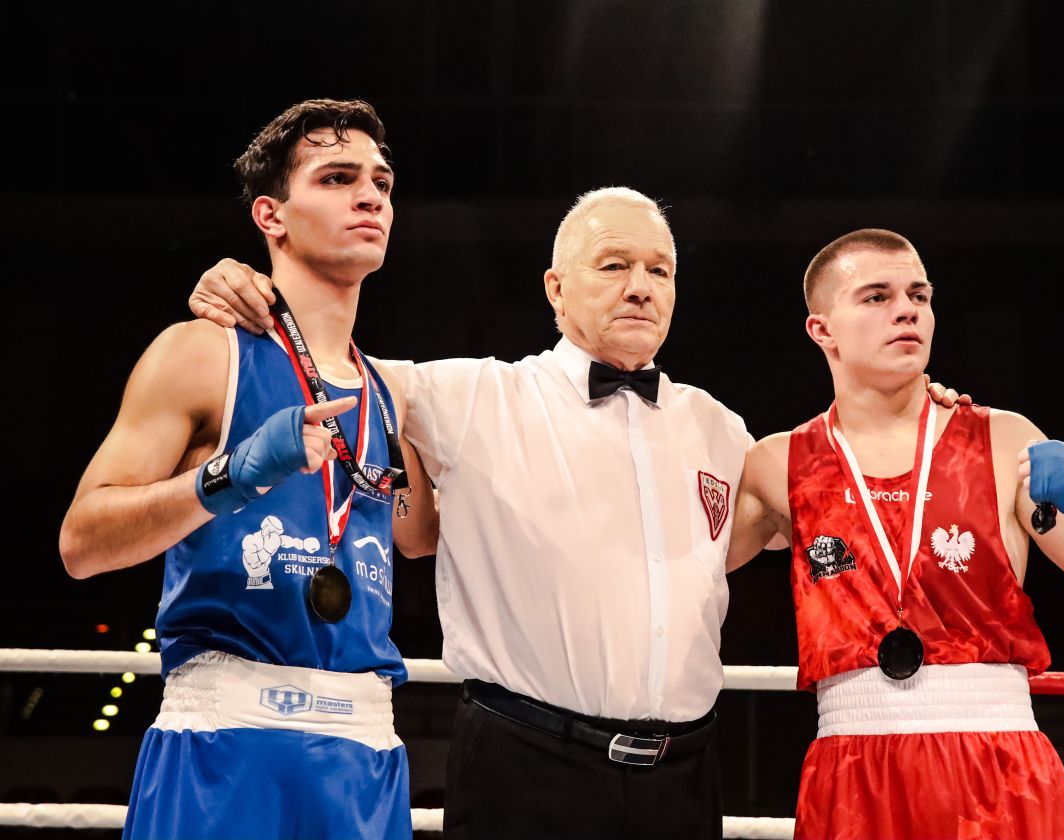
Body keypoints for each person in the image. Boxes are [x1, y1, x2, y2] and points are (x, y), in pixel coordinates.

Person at [188, 192, 964, 839]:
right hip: (524, 768)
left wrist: (912, 411)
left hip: (683, 781)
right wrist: (253, 293)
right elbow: (321, 366)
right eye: (615, 265)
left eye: (660, 270)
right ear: (556, 289)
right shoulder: (471, 397)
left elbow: (836, 494)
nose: (641, 287)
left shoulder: (718, 429)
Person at [59, 99, 436, 840]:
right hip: (224, 746)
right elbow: (82, 542)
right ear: (271, 215)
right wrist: (230, 474)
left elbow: (417, 537)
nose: (369, 196)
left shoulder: (394, 395)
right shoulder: (202, 354)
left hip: (364, 756)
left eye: (382, 183)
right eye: (336, 178)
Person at [731, 228, 1064, 840]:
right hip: (852, 768)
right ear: (822, 330)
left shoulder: (1003, 440)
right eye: (876, 296)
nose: (907, 309)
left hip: (996, 766)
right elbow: (685, 570)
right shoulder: (778, 465)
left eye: (919, 295)